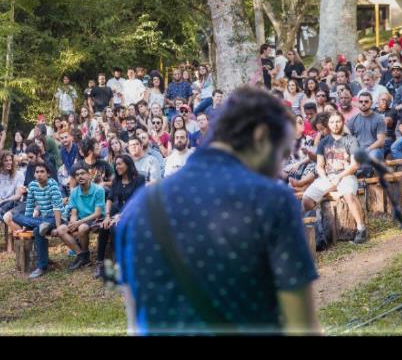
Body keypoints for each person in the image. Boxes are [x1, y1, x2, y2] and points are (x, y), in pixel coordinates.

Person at [114, 86, 320, 335]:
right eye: (282, 154)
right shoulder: (271, 199)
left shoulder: (138, 208)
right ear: (261, 136)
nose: (280, 170)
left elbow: (136, 324)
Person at [302, 111, 367, 244]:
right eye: (332, 122)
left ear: (342, 122)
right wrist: (324, 177)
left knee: (348, 195)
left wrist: (339, 177)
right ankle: (315, 229)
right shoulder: (323, 142)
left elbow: (355, 165)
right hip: (328, 177)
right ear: (328, 124)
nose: (335, 125)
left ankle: (361, 229)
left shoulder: (351, 140)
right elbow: (320, 166)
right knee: (306, 200)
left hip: (346, 175)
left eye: (338, 121)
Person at [9, 162, 65, 279]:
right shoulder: (33, 186)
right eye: (37, 172)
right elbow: (29, 206)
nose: (39, 174)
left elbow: (57, 207)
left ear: (48, 174)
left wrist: (58, 226)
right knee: (15, 216)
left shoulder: (52, 184)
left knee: (38, 231)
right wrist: (25, 225)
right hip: (43, 219)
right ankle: (41, 225)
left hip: (56, 217)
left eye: (42, 172)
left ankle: (41, 267)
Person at [95, 154, 145, 279]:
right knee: (104, 227)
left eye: (120, 164)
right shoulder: (116, 180)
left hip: (133, 214)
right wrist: (107, 215)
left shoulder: (139, 179)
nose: (117, 167)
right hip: (116, 211)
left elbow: (137, 201)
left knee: (115, 228)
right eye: (116, 164)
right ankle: (100, 263)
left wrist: (120, 216)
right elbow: (110, 199)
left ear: (128, 164)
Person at [56, 163, 106, 270]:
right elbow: (74, 212)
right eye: (77, 175)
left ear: (89, 175)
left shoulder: (98, 190)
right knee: (61, 230)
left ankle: (85, 253)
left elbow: (97, 213)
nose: (80, 176)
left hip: (96, 219)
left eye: (83, 173)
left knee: (82, 228)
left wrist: (78, 223)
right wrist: (73, 222)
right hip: (81, 219)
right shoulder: (74, 192)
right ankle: (81, 255)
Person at [347, 92, 386, 163]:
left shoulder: (379, 119)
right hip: (358, 150)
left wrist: (367, 150)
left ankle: (366, 173)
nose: (363, 103)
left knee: (372, 155)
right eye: (361, 101)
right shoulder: (353, 120)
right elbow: (349, 139)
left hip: (374, 149)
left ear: (371, 103)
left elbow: (381, 141)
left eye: (366, 101)